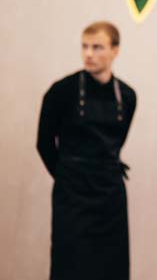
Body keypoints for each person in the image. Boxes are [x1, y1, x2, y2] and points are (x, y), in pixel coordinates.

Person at [37, 21, 136, 280]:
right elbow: (44, 144)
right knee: (70, 265)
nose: (89, 54)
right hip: (72, 196)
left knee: (112, 266)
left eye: (97, 47)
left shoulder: (127, 96)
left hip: (110, 196)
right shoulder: (61, 92)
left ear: (115, 50)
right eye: (84, 46)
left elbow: (118, 142)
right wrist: (66, 175)